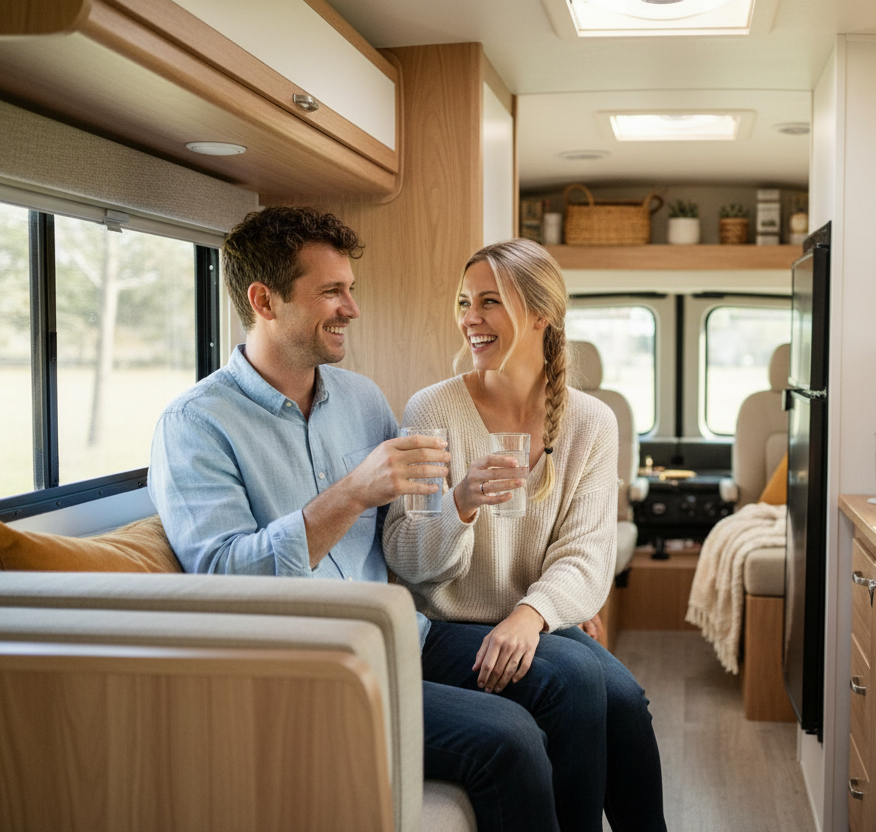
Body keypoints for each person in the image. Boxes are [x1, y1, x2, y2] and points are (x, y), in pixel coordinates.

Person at [148, 206, 591, 832]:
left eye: (350, 290)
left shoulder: (362, 400)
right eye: (331, 292)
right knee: (511, 737)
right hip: (312, 667)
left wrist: (553, 599)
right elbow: (221, 575)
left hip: (402, 635)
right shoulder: (194, 425)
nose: (351, 308)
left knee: (567, 680)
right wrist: (351, 493)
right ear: (263, 300)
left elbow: (415, 537)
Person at [383, 238, 668, 832]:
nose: (470, 319)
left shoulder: (591, 421)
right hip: (444, 623)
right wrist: (459, 504)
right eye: (464, 302)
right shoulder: (431, 412)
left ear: (541, 314)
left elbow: (588, 553)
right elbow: (405, 556)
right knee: (579, 679)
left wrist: (531, 615)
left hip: (532, 619)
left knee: (626, 703)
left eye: (489, 302)